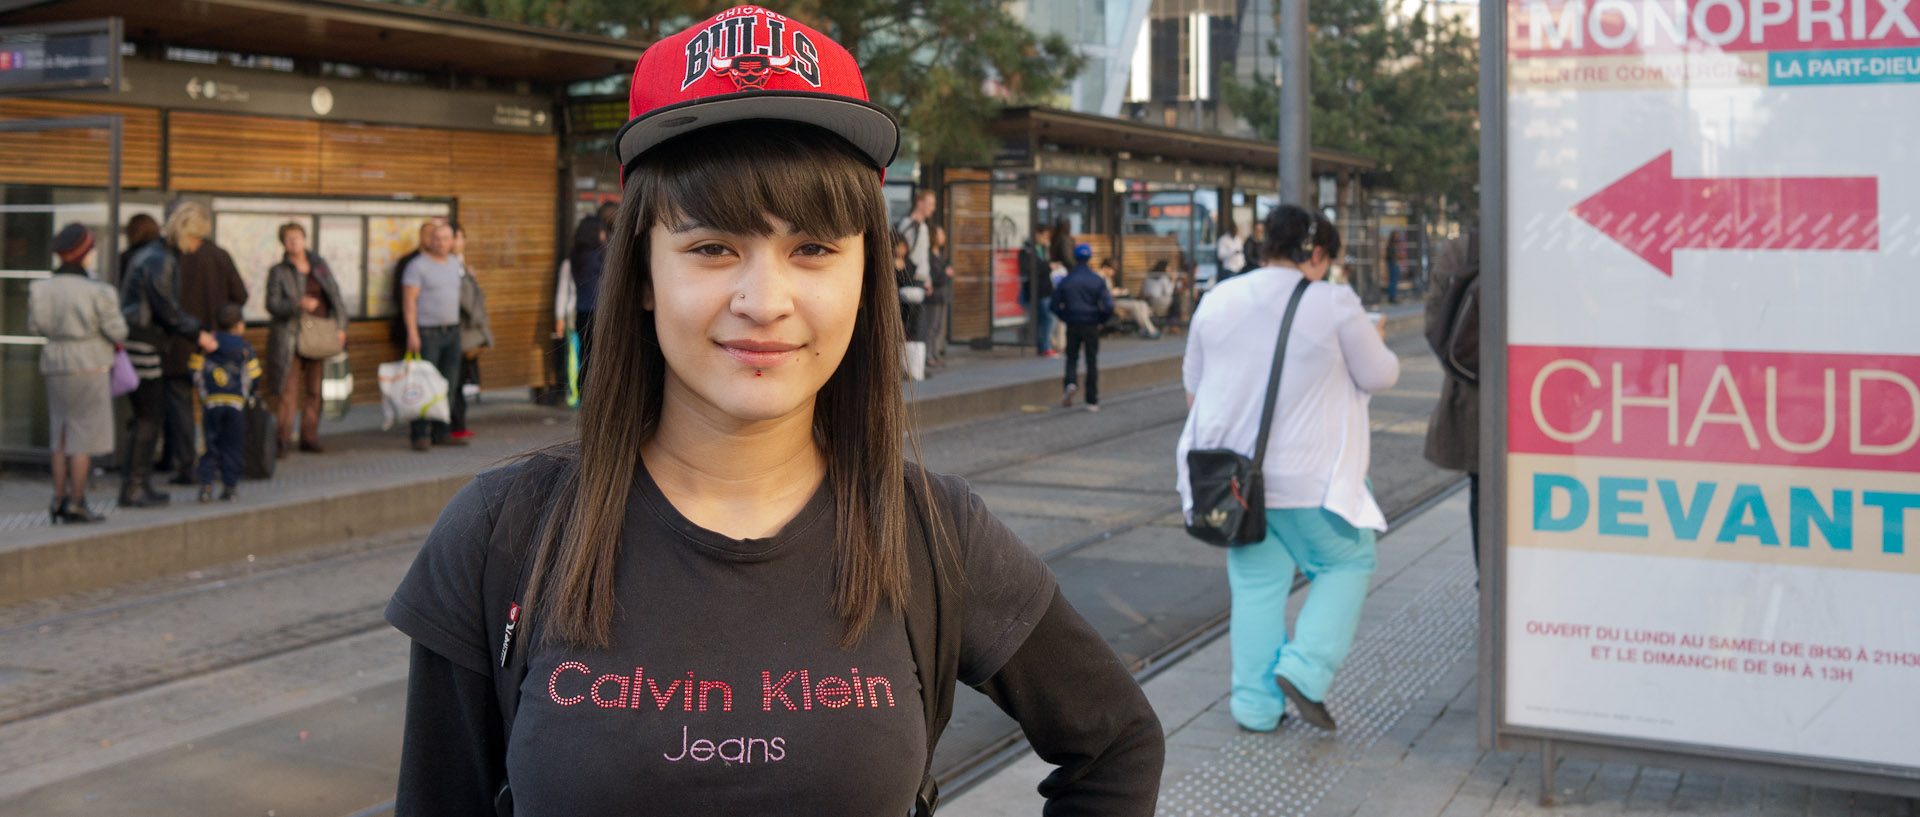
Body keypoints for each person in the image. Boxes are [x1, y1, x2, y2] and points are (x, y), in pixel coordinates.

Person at [383, 9, 1162, 814]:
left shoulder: (932, 533)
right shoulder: (502, 535)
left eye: (814, 248)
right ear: (643, 274)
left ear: (868, 272)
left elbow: (1116, 743)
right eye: (713, 246)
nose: (765, 301)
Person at [1177, 204, 1399, 733]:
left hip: (1237, 485)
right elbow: (1381, 374)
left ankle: (1255, 708)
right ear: (1316, 253)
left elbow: (1194, 391)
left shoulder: (1218, 298)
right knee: (1347, 564)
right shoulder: (1335, 301)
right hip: (1312, 481)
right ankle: (1305, 667)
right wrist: (1378, 335)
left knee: (1257, 588)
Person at [121, 209, 219, 507]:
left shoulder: (155, 253)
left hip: (141, 338)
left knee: (149, 416)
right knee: (149, 417)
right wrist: (197, 332)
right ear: (186, 233)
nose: (199, 244)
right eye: (197, 237)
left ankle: (139, 484)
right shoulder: (160, 258)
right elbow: (167, 309)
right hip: (144, 341)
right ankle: (135, 487)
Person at [29, 224, 126, 523]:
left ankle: (57, 498)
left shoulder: (40, 288)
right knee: (83, 435)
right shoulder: (100, 291)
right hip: (90, 363)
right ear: (84, 252)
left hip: (55, 362)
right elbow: (118, 330)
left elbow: (35, 327)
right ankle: (76, 501)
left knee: (60, 433)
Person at [162, 202, 248, 485]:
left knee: (181, 406)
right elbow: (240, 294)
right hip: (217, 344)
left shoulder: (173, 257)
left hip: (179, 344)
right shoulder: (219, 255)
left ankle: (186, 465)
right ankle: (222, 464)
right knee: (218, 407)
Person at [264, 221, 347, 456]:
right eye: (289, 238)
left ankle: (309, 436)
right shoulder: (278, 271)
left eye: (297, 237)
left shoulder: (319, 266)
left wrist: (341, 327)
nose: (294, 242)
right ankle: (283, 438)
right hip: (290, 336)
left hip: (319, 334)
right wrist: (296, 305)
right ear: (283, 242)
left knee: (314, 389)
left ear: (304, 239)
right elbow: (271, 304)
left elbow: (335, 296)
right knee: (287, 390)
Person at [1423, 232, 1480, 568]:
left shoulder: (1462, 248)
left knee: (1482, 487)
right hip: (1541, 392)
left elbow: (1436, 325)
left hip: (1472, 393)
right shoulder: (1544, 243)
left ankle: (1487, 581)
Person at [400, 222, 466, 451]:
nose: (441, 242)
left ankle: (442, 432)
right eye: (437, 238)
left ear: (452, 241)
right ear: (430, 241)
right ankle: (419, 434)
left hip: (452, 332)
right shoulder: (417, 266)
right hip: (427, 333)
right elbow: (408, 302)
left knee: (448, 383)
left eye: (446, 238)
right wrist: (412, 332)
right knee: (423, 384)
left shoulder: (455, 264)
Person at [190, 303, 261, 503]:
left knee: (209, 445)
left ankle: (206, 486)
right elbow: (255, 375)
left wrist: (203, 393)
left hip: (211, 403)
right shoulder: (245, 348)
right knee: (233, 445)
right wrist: (249, 393)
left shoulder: (206, 345)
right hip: (236, 404)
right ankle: (230, 487)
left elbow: (193, 371)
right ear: (239, 326)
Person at [1051, 243, 1114, 412]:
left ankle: (1070, 382)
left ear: (1075, 257)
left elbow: (1055, 304)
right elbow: (1108, 305)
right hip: (1091, 323)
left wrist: (1065, 316)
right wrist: (1101, 319)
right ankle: (1091, 399)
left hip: (1073, 323)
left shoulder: (1067, 279)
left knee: (1072, 357)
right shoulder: (1096, 279)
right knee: (1091, 360)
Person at [452, 222, 493, 439]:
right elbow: (466, 300)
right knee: (456, 379)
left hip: (467, 328)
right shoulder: (452, 265)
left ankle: (458, 424)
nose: (459, 242)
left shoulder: (461, 264)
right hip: (460, 328)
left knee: (461, 378)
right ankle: (453, 426)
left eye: (459, 237)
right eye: (457, 237)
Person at [570, 203, 616, 385]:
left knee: (585, 357)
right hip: (598, 313)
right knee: (599, 358)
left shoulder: (577, 257)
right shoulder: (598, 257)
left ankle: (584, 397)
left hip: (581, 313)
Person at [1018, 224, 1057, 358]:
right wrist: (1048, 266)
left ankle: (1044, 346)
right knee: (1047, 318)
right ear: (1037, 234)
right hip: (1036, 289)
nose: (1046, 239)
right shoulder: (1027, 250)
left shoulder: (1043, 249)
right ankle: (1044, 346)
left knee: (1046, 319)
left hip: (1046, 288)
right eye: (1045, 236)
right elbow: (1032, 268)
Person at [1097, 258, 1158, 339]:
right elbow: (1101, 293)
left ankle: (1147, 329)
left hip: (1113, 299)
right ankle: (1150, 330)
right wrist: (1115, 292)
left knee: (1142, 304)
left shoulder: (1107, 277)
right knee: (1136, 305)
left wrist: (1118, 291)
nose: (1113, 273)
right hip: (1108, 302)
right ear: (1106, 267)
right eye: (1112, 270)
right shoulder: (1098, 276)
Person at [924, 224, 952, 366]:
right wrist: (945, 273)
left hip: (943, 295)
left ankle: (935, 353)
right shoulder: (929, 256)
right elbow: (934, 276)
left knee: (940, 327)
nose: (944, 237)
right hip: (934, 296)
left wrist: (946, 274)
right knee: (932, 326)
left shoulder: (941, 254)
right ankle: (929, 356)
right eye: (941, 234)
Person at [1385, 231, 1402, 304]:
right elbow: (1390, 256)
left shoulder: (1396, 245)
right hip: (1393, 264)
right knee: (1393, 281)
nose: (1397, 237)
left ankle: (1393, 296)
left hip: (1395, 264)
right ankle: (1391, 297)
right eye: (1395, 236)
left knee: (1394, 281)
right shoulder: (1390, 245)